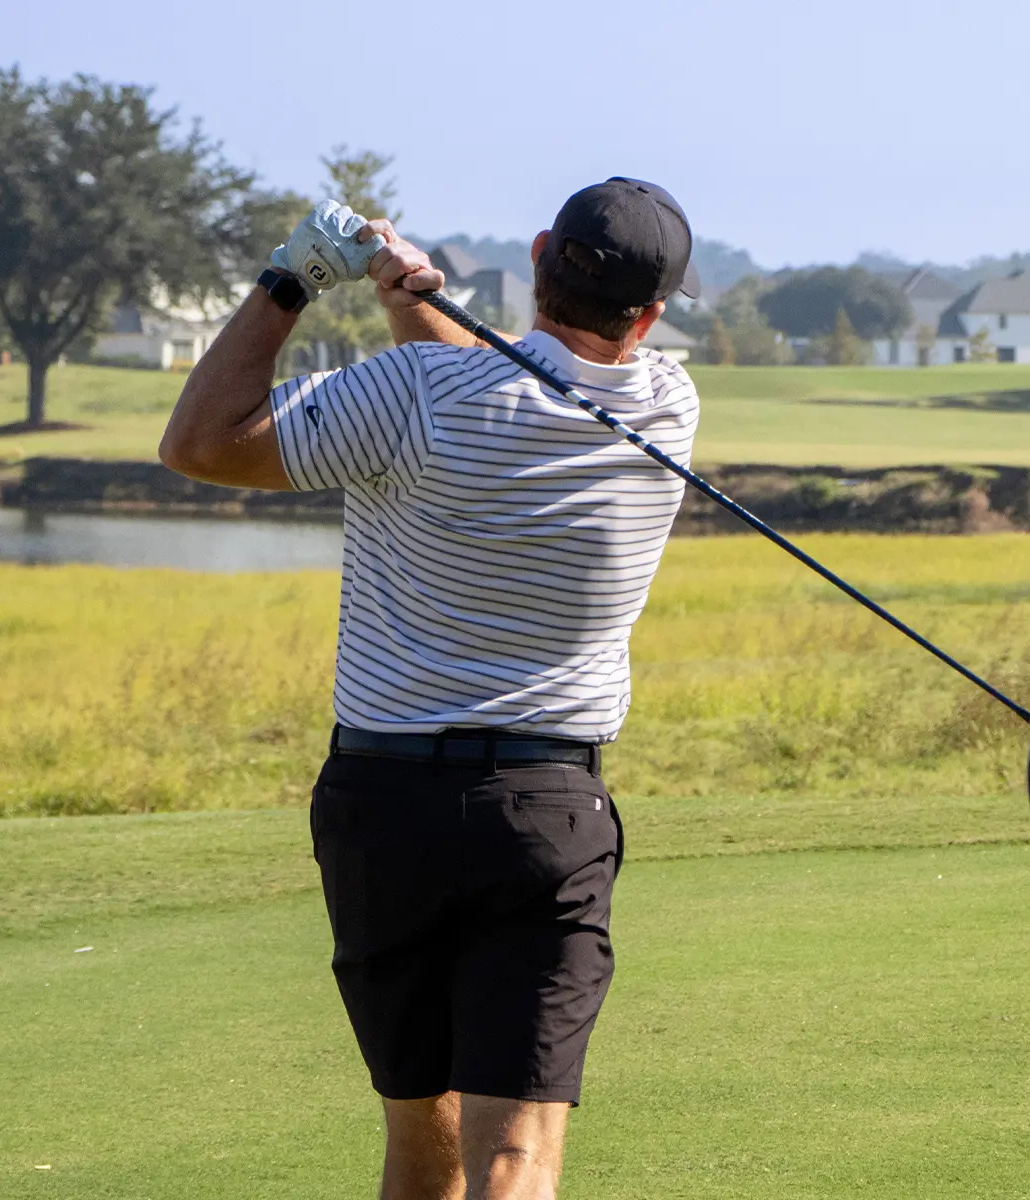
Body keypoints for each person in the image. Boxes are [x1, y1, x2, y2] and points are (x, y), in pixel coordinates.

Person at [159, 178, 703, 1200]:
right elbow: (517, 392)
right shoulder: (665, 407)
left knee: (423, 1147)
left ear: (540, 254)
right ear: (654, 311)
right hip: (546, 814)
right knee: (513, 1157)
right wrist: (410, 299)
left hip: (382, 812)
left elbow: (200, 443)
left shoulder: (410, 394)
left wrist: (292, 282)